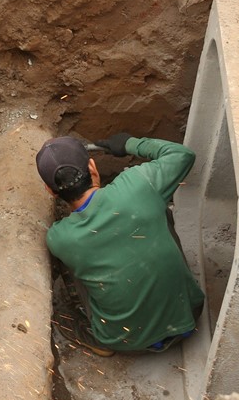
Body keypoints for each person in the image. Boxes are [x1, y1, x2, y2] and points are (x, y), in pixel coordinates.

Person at [35, 132, 205, 356]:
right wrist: (128, 144)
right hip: (190, 317)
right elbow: (182, 154)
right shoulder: (139, 184)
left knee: (70, 271)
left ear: (50, 191)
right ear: (93, 167)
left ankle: (98, 339)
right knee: (157, 206)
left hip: (128, 341)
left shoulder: (59, 237)